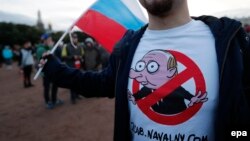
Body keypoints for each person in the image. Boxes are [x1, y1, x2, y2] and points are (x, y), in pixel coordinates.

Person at [39, 0, 250, 140]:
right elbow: (100, 83)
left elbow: (242, 127)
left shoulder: (230, 43)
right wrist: (55, 69)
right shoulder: (128, 45)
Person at [36, 33, 63, 109]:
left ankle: (54, 99)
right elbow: (47, 58)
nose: (51, 40)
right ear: (44, 40)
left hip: (53, 71)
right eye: (49, 39)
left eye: (51, 39)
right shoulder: (41, 49)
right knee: (47, 87)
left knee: (55, 85)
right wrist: (51, 48)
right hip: (46, 72)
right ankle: (48, 101)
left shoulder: (49, 47)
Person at [61, 33, 84, 104]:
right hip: (70, 67)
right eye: (73, 38)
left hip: (78, 67)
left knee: (78, 81)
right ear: (71, 39)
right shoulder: (66, 46)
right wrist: (72, 57)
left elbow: (83, 54)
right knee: (72, 82)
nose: (75, 39)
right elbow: (63, 56)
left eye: (76, 38)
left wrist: (80, 57)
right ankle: (72, 98)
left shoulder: (80, 46)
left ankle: (77, 95)